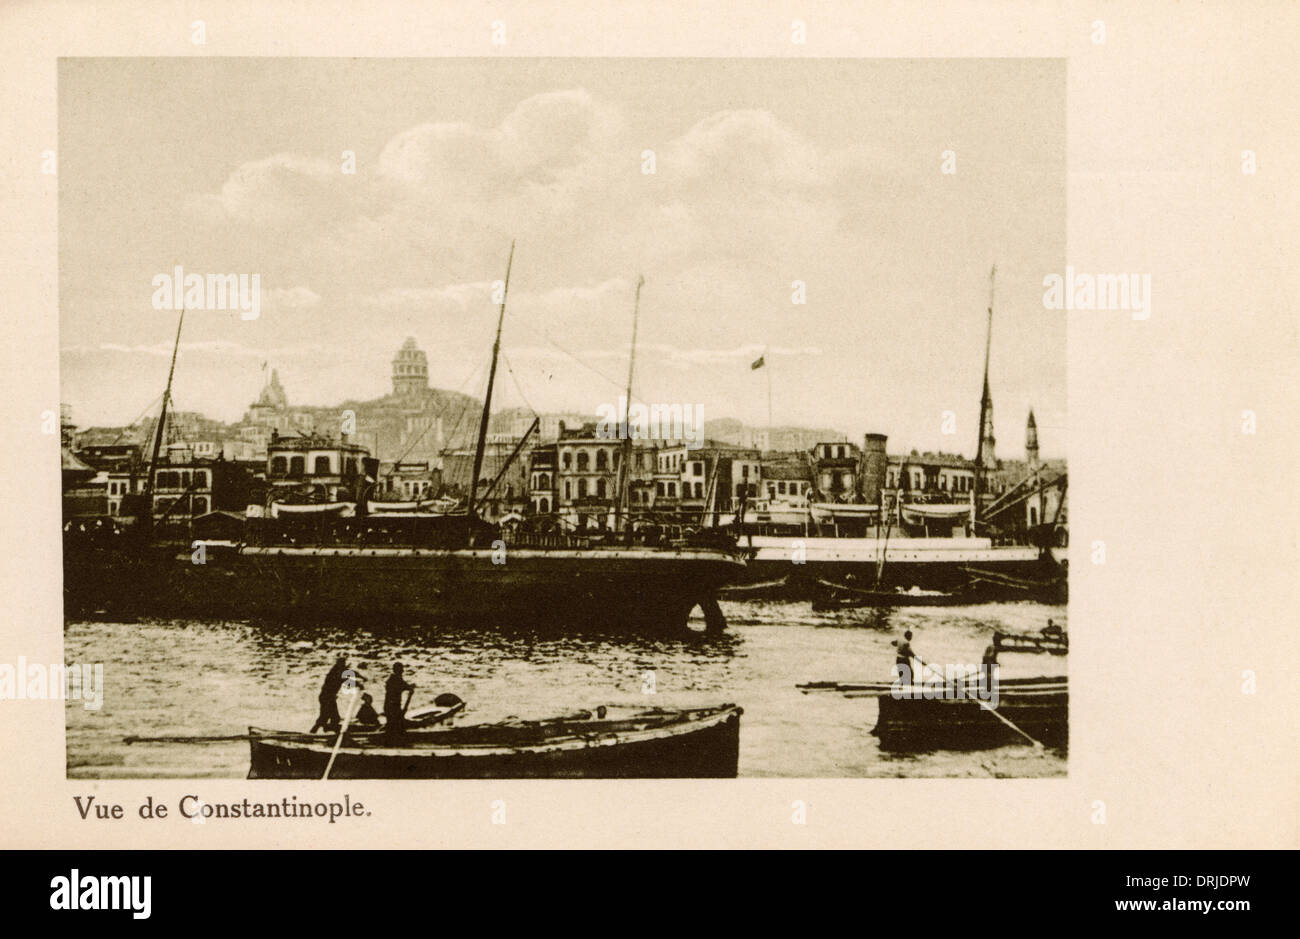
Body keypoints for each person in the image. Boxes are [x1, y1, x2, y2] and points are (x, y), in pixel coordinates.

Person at [309, 656, 352, 734]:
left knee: (329, 717)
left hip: (328, 697)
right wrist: (359, 682)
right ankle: (316, 732)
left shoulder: (336, 670)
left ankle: (327, 731)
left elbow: (348, 674)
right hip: (327, 698)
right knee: (328, 717)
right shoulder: (336, 672)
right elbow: (345, 678)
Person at [383, 662, 415, 738]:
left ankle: (392, 739)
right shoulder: (395, 680)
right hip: (392, 707)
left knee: (393, 724)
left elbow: (404, 686)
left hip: (391, 706)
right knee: (395, 724)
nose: (402, 671)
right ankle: (393, 740)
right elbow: (404, 686)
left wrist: (410, 687)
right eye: (401, 669)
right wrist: (410, 688)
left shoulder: (393, 679)